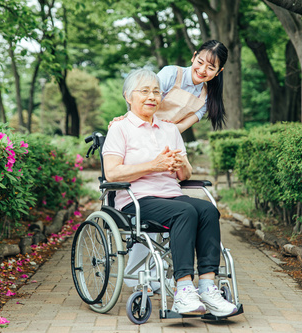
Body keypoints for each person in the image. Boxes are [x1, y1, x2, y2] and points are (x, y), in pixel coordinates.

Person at [102, 68, 237, 317]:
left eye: (156, 91)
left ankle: (207, 286)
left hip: (171, 195)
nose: (152, 96)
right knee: (184, 211)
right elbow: (112, 174)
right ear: (128, 96)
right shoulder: (120, 129)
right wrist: (153, 165)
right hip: (137, 200)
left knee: (207, 209)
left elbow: (184, 176)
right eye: (144, 91)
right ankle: (183, 289)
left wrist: (181, 165)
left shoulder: (170, 129)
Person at [110, 40, 228, 133]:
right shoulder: (171, 74)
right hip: (137, 127)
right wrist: (123, 122)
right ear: (194, 57)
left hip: (166, 138)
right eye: (200, 62)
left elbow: (181, 127)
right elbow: (143, 102)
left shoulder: (206, 98)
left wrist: (165, 129)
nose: (202, 70)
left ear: (218, 71)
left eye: (210, 68)